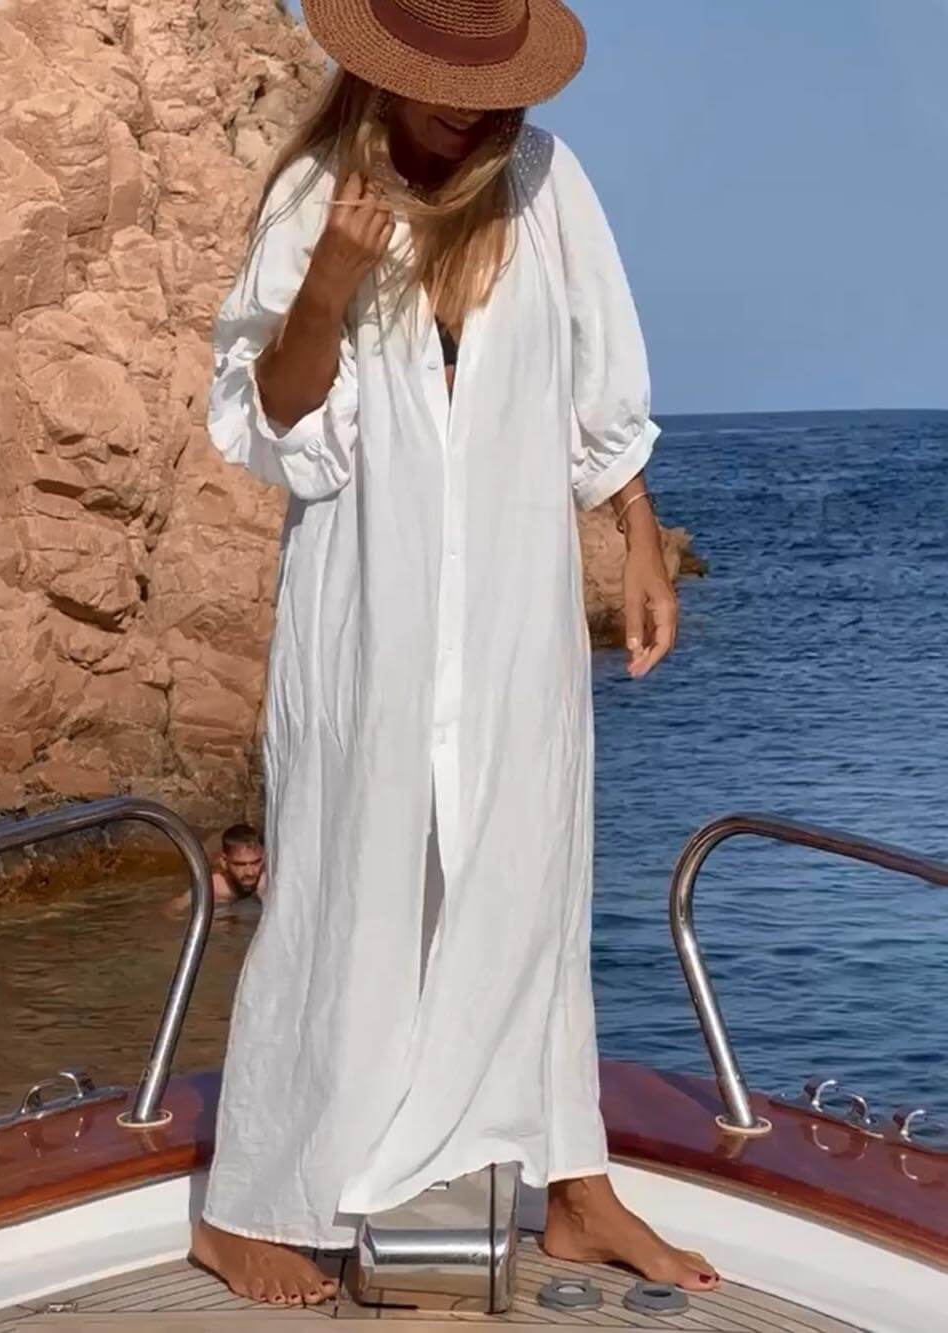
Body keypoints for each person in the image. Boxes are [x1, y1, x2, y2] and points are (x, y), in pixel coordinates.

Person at [194, 0, 720, 1308]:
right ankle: (250, 1204)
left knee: (531, 879)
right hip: (365, 610)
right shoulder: (316, 193)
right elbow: (278, 422)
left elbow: (599, 377)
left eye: (494, 93)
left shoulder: (544, 185)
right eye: (451, 92)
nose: (476, 117)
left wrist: (637, 537)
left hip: (514, 616)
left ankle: (577, 1190)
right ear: (386, 71)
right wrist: (329, 280)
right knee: (340, 888)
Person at [167, 824, 265, 914]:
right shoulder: (213, 887)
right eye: (240, 864)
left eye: (256, 862)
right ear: (224, 862)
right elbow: (173, 909)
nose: (250, 873)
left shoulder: (267, 882)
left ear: (264, 857)